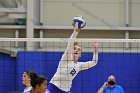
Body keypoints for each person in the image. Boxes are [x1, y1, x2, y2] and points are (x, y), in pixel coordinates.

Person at [47, 27, 99, 93]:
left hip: (65, 90)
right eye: (74, 48)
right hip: (54, 86)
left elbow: (94, 62)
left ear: (80, 54)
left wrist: (96, 49)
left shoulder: (79, 65)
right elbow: (70, 44)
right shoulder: (66, 58)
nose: (76, 50)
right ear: (71, 51)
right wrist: (75, 31)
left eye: (79, 49)